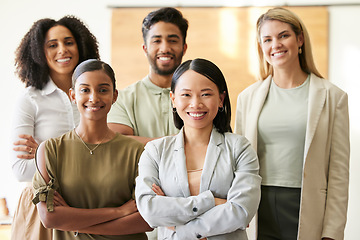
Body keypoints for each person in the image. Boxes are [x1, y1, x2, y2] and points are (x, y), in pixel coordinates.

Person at [235, 7, 350, 240]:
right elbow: (237, 164)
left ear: (299, 39)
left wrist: (333, 232)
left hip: (306, 208)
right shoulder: (247, 98)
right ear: (261, 47)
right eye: (267, 39)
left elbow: (338, 172)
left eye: (283, 35)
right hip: (258, 206)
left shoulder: (333, 96)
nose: (275, 44)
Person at [135, 58, 262, 240]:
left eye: (206, 94)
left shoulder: (239, 148)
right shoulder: (155, 151)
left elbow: (241, 211)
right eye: (186, 95)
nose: (195, 104)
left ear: (221, 99)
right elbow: (149, 210)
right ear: (173, 99)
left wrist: (179, 225)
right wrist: (211, 202)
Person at [32, 59, 152, 240]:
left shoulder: (137, 152)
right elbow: (49, 218)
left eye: (103, 90)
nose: (94, 98)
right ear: (73, 95)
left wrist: (71, 219)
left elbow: (146, 221)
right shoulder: (50, 150)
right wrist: (118, 211)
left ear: (115, 95)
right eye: (85, 90)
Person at [10, 15, 100, 240]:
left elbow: (106, 158)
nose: (63, 50)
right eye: (52, 45)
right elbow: (21, 169)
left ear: (80, 46)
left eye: (69, 42)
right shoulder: (30, 100)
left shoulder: (97, 96)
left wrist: (44, 154)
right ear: (40, 53)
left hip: (89, 204)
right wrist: (80, 160)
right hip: (41, 205)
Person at [108, 7, 188, 144]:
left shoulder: (198, 97)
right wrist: (180, 143)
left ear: (184, 48)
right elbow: (117, 144)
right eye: (157, 41)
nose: (165, 49)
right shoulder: (121, 99)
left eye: (173, 40)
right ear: (145, 48)